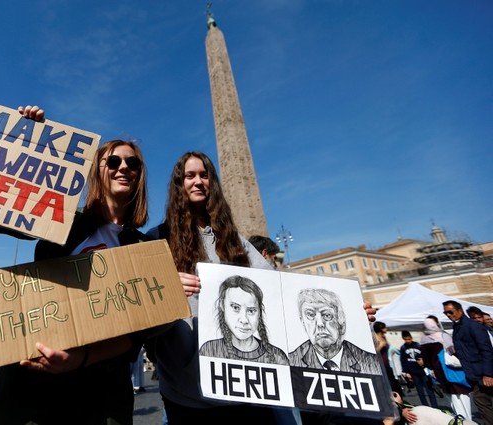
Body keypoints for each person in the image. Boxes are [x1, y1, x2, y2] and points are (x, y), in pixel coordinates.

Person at [0, 105, 153, 425]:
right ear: (97, 171)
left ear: (140, 175)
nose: (123, 167)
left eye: (132, 162)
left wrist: (79, 359)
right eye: (112, 161)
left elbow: (137, 333)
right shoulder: (61, 218)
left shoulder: (144, 248)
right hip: (32, 386)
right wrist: (24, 139)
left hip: (100, 395)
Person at [146, 151, 283, 424]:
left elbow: (276, 290)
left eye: (204, 175)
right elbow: (144, 309)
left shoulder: (235, 240)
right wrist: (166, 288)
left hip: (245, 389)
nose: (198, 181)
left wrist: (350, 313)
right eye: (190, 176)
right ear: (178, 184)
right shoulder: (157, 240)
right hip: (187, 394)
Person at [199, 274, 289, 364]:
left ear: (259, 313)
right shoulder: (210, 350)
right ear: (222, 306)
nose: (244, 320)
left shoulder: (277, 357)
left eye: (251, 311)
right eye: (235, 308)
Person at [288, 288, 381, 374]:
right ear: (303, 322)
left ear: (341, 320)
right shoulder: (290, 361)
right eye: (310, 315)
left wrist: (365, 327)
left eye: (327, 315)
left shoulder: (368, 361)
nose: (320, 324)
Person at [443, 300, 493, 425]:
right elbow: (466, 350)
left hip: (483, 373)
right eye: (446, 313)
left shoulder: (473, 326)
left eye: (450, 312)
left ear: (459, 311)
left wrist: (488, 374)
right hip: (474, 375)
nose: (448, 315)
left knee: (483, 405)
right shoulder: (457, 327)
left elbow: (486, 350)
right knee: (482, 404)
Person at [420, 316, 472, 421]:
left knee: (452, 399)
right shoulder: (443, 335)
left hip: (440, 372)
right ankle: (467, 420)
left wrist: (431, 370)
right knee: (462, 396)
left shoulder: (424, 339)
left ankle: (460, 420)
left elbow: (426, 359)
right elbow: (455, 351)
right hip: (452, 369)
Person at [399, 330, 438, 408]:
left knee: (429, 389)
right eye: (406, 339)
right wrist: (406, 372)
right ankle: (425, 407)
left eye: (409, 339)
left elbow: (426, 356)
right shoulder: (403, 348)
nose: (408, 341)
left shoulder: (418, 345)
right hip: (413, 372)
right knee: (420, 391)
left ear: (411, 338)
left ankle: (435, 407)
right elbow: (403, 360)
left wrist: (425, 363)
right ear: (403, 339)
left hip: (423, 371)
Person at [374, 321, 405, 396]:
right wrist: (381, 345)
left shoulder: (384, 337)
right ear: (380, 329)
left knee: (394, 384)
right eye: (384, 327)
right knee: (389, 385)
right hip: (380, 365)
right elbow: (374, 352)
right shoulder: (375, 338)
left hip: (387, 363)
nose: (386, 328)